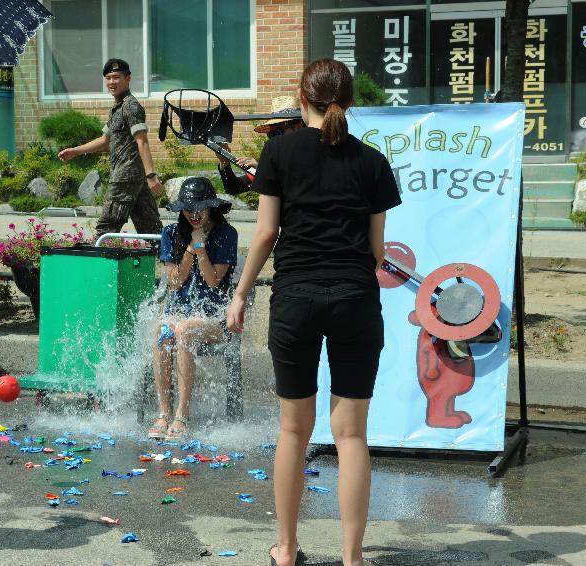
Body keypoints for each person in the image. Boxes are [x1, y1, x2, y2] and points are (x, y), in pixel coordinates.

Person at [226, 59, 402, 566]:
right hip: (354, 300)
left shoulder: (279, 149)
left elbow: (264, 234)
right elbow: (375, 251)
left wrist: (239, 294)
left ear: (301, 100)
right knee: (351, 435)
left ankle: (285, 548)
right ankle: (352, 557)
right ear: (349, 103)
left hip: (295, 300)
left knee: (292, 431)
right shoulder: (372, 161)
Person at [149, 177, 238, 440]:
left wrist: (201, 250)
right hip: (179, 315)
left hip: (215, 320)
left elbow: (212, 281)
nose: (194, 214)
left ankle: (182, 414)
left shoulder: (226, 234)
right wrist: (190, 247)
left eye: (200, 208)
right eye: (189, 209)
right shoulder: (171, 234)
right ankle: (164, 413)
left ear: (212, 207)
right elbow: (175, 283)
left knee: (184, 330)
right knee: (163, 332)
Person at [58, 58, 164, 238]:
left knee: (106, 227)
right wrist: (75, 151)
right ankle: (172, 263)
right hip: (133, 178)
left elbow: (142, 141)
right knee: (151, 229)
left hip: (125, 177)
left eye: (116, 77)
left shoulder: (130, 106)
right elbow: (105, 140)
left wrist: (151, 176)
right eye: (108, 78)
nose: (111, 82)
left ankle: (98, 265)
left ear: (128, 78)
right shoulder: (117, 108)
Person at [217, 95, 304, 195]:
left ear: (299, 126)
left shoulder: (311, 153)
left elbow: (293, 185)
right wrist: (225, 163)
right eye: (272, 134)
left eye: (279, 131)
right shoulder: (273, 159)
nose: (276, 140)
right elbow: (235, 188)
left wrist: (262, 170)